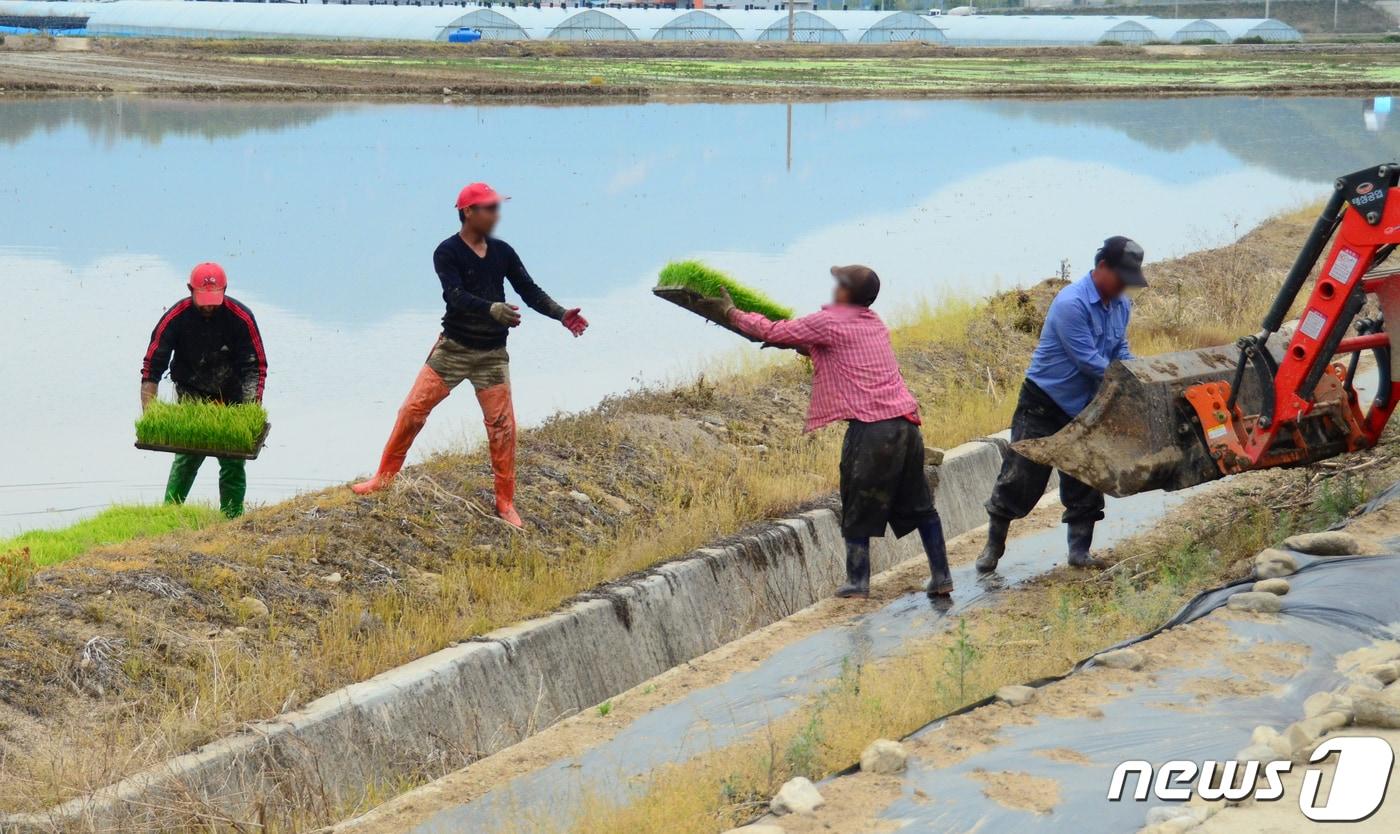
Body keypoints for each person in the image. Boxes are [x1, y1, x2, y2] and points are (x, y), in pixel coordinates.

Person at [699, 266, 952, 599]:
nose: (834, 289)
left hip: (872, 429)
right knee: (920, 503)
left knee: (856, 499)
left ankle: (858, 582)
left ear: (847, 292)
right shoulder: (872, 321)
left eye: (839, 284)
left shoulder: (830, 321)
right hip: (906, 425)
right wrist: (800, 346)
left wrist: (730, 313)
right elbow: (831, 349)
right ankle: (942, 576)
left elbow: (773, 331)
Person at [351, 182, 588, 529]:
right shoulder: (446, 252)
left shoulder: (503, 251)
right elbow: (455, 296)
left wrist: (561, 313)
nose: (496, 215)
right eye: (489, 208)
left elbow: (529, 289)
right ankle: (383, 478)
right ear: (468, 213)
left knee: (503, 428)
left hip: (492, 355)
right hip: (453, 349)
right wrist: (490, 308)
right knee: (412, 411)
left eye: (497, 208)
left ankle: (505, 501)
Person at [977, 235, 1146, 574]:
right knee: (1021, 477)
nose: (1124, 288)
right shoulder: (1072, 304)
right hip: (1044, 401)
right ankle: (992, 548)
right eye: (1120, 279)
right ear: (1101, 268)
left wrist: (1141, 373)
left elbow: (1119, 352)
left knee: (1087, 475)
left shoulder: (1122, 305)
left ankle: (1079, 553)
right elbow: (1089, 361)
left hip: (1089, 402)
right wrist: (1127, 382)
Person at [141, 262, 268, 519]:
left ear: (225, 290)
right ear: (190, 290)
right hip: (192, 389)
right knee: (188, 455)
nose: (209, 306)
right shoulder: (175, 318)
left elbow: (255, 367)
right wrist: (149, 414)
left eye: (214, 300)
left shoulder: (240, 318)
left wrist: (249, 412)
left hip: (233, 391)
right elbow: (152, 367)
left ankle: (232, 518)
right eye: (203, 300)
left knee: (233, 460)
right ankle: (170, 513)